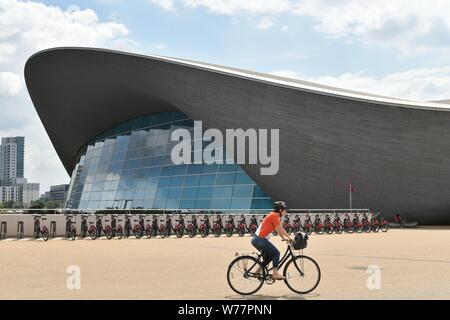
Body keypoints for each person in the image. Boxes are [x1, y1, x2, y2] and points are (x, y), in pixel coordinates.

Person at [251, 201, 293, 280]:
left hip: (257, 239)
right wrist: (287, 238)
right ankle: (275, 274)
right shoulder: (274, 216)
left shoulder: (274, 216)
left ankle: (257, 272)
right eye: (285, 210)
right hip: (260, 240)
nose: (286, 212)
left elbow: (280, 228)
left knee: (269, 257)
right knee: (276, 253)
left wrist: (287, 237)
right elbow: (279, 229)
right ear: (280, 210)